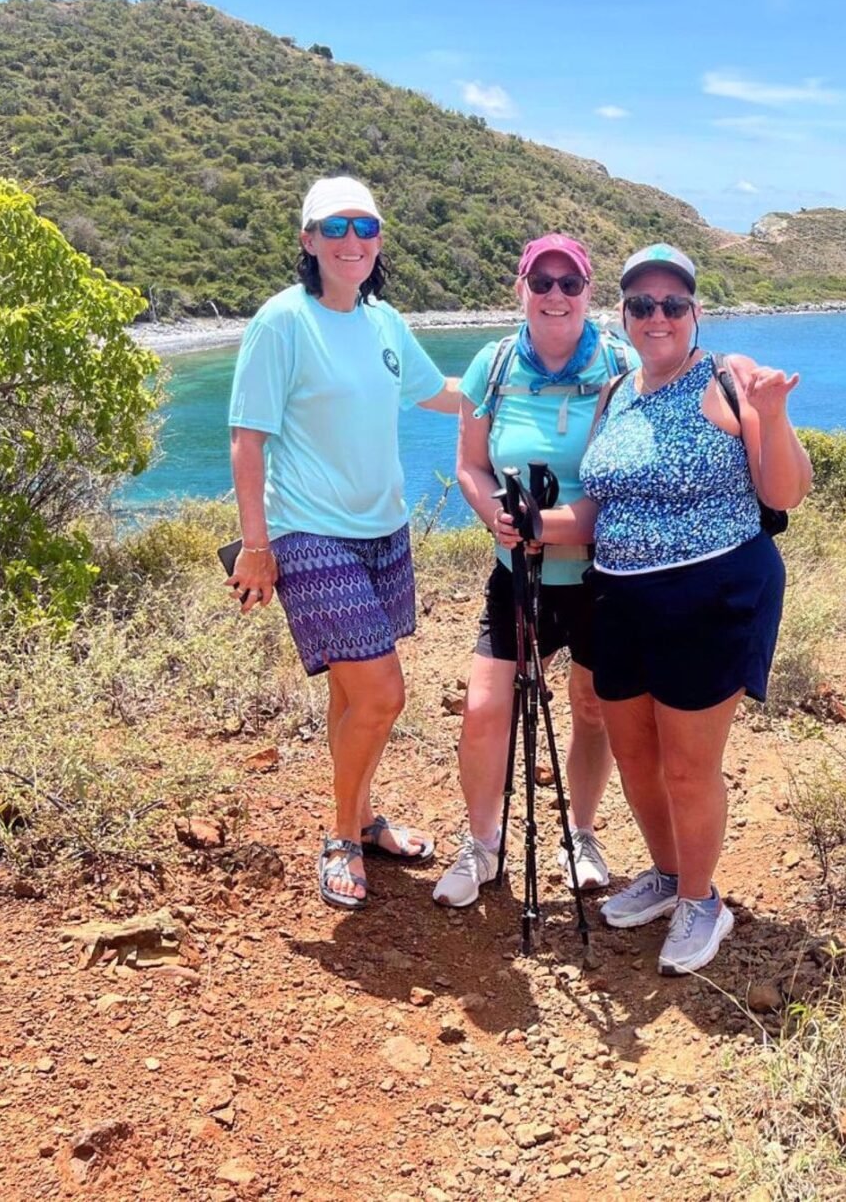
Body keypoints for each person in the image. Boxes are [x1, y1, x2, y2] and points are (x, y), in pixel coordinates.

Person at [525, 243, 813, 974]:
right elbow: (597, 507)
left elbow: (784, 493)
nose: (658, 316)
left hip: (712, 594)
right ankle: (665, 872)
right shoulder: (615, 393)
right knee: (635, 754)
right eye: (642, 305)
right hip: (619, 594)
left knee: (689, 767)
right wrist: (537, 524)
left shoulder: (727, 384)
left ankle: (700, 902)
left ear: (695, 313)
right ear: (623, 315)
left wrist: (773, 416)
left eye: (673, 304)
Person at [226, 175, 461, 911]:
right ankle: (341, 837)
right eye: (335, 229)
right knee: (384, 694)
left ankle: (361, 816)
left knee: (350, 692)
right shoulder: (281, 323)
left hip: (382, 530)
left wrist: (534, 379)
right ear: (308, 241)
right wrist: (255, 545)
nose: (352, 241)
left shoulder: (384, 322)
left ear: (379, 240)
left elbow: (439, 393)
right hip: (309, 532)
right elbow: (245, 440)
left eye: (365, 227)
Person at [434, 234, 633, 908]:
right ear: (519, 289)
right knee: (486, 711)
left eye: (569, 284)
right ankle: (483, 845)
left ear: (589, 293)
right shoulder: (492, 365)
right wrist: (495, 511)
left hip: (602, 579)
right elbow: (470, 461)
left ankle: (580, 833)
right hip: (515, 575)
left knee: (592, 710)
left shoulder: (620, 365)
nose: (555, 296)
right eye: (541, 283)